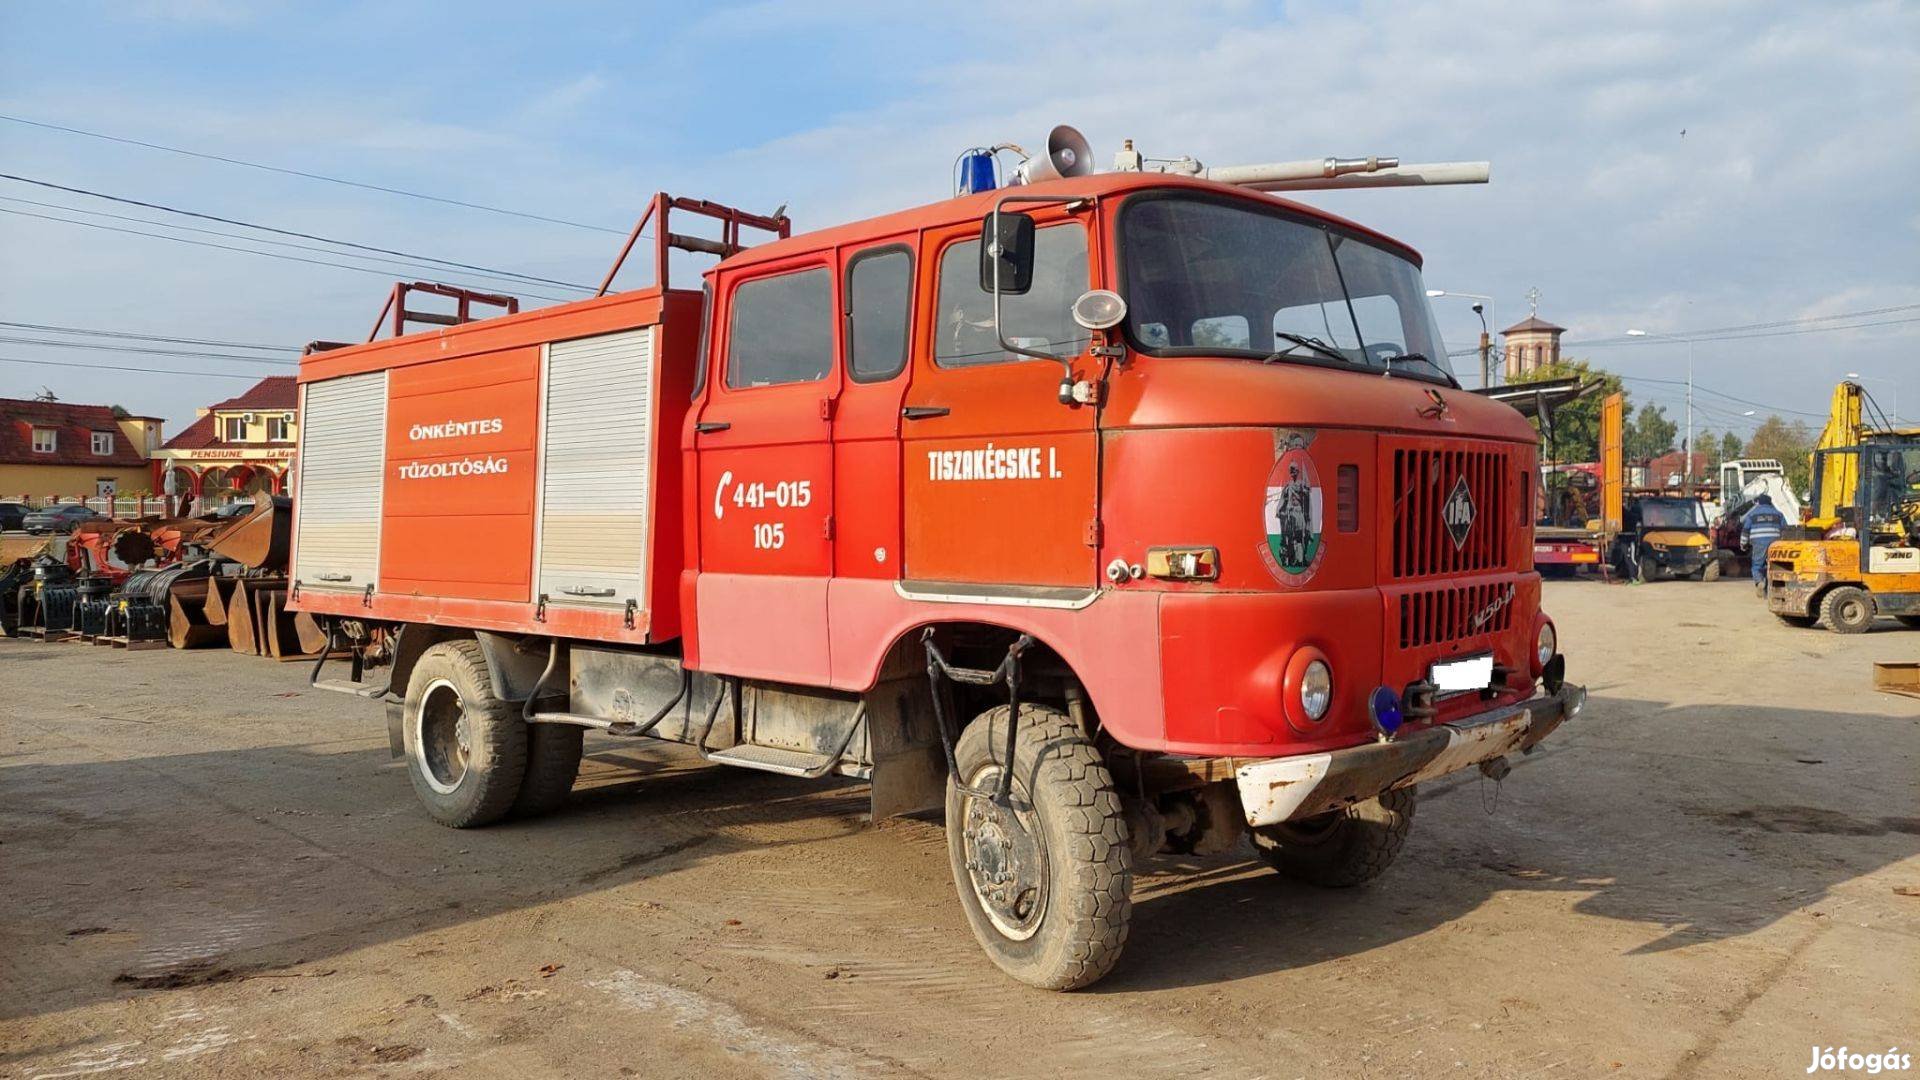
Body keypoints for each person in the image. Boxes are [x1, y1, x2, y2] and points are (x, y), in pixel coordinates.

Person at [1741, 493, 1788, 590]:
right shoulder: (1778, 514)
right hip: (1775, 544)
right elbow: (1785, 530)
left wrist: (1743, 544)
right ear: (1770, 503)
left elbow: (1745, 531)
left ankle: (1759, 581)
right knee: (1776, 565)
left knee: (1757, 566)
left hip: (1759, 543)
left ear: (1759, 503)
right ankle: (1778, 585)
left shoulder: (1752, 514)